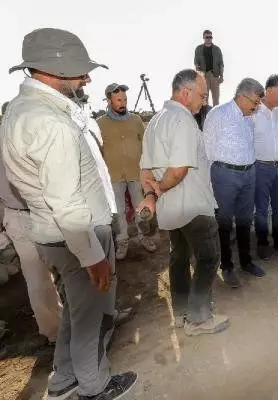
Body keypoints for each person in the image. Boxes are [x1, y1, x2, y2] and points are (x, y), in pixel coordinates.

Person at [2, 28, 136, 400]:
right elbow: (66, 203)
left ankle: (63, 380)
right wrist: (93, 256)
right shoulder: (50, 123)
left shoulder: (26, 110)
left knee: (76, 316)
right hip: (78, 235)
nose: (88, 78)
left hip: (57, 234)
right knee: (94, 317)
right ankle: (95, 388)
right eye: (80, 71)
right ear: (53, 70)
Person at [138, 69, 228, 335]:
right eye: (201, 95)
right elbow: (178, 171)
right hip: (193, 205)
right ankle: (198, 320)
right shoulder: (183, 120)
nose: (203, 100)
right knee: (209, 258)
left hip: (170, 211)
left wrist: (153, 193)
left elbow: (144, 170)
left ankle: (180, 314)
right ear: (186, 92)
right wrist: (162, 188)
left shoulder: (155, 121)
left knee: (178, 258)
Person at [0, 102, 62, 344]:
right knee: (65, 269)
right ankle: (71, 326)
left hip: (16, 217)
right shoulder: (26, 141)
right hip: (37, 213)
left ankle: (55, 331)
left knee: (37, 278)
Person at [203, 78, 266, 288]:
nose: (256, 107)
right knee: (224, 222)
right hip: (225, 175)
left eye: (258, 104)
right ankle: (227, 266)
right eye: (254, 102)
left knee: (245, 220)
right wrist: (214, 177)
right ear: (241, 96)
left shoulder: (248, 117)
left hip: (249, 173)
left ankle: (246, 261)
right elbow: (207, 148)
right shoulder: (218, 114)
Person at [97, 83, 157, 260]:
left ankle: (143, 237)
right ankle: (122, 241)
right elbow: (98, 151)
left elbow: (146, 144)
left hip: (136, 173)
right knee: (118, 211)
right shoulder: (100, 123)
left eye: (124, 99)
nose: (123, 103)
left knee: (142, 208)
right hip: (113, 175)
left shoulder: (136, 120)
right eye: (118, 100)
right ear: (109, 100)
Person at [253, 74, 278, 259]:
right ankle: (262, 242)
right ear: (268, 90)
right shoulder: (253, 111)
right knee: (261, 208)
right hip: (260, 167)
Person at [194, 29, 224, 106]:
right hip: (204, 76)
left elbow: (221, 64)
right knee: (204, 99)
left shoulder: (217, 49)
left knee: (216, 99)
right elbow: (196, 64)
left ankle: (216, 117)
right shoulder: (198, 49)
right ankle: (205, 117)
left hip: (215, 76)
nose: (209, 38)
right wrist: (199, 77)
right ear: (203, 38)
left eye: (210, 37)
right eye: (207, 37)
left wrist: (221, 76)